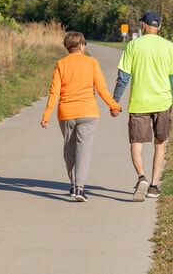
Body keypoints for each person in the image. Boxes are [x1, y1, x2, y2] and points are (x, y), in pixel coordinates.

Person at [41, 31, 122, 202]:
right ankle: (79, 187)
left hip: (66, 114)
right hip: (88, 112)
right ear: (81, 46)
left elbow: (54, 92)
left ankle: (73, 185)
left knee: (69, 151)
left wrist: (47, 114)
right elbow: (101, 88)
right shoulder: (91, 62)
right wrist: (114, 106)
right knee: (83, 151)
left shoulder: (60, 64)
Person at [112, 12, 173, 202]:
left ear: (143, 25)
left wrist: (115, 100)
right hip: (162, 103)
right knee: (160, 143)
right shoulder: (170, 47)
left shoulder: (133, 45)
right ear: (159, 27)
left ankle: (141, 177)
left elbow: (123, 77)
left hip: (139, 103)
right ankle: (153, 186)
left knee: (136, 142)